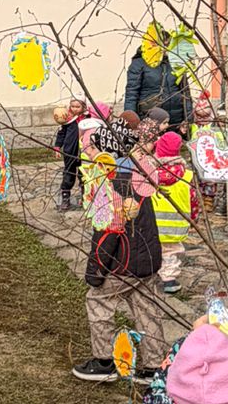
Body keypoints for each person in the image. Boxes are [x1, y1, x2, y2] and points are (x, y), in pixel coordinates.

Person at [72, 150, 167, 382]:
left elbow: (107, 236)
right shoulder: (141, 185)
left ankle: (104, 361)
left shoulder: (111, 191)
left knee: (98, 300)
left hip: (122, 264)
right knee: (146, 307)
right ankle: (154, 365)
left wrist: (95, 272)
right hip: (147, 261)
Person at [150, 130, 195, 293]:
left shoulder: (151, 174)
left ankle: (152, 271)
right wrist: (193, 217)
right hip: (177, 223)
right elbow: (193, 199)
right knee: (171, 251)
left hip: (153, 223)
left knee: (152, 248)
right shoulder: (187, 176)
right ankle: (169, 280)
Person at [122, 24, 191, 128]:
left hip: (176, 120)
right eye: (164, 44)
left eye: (169, 44)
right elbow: (131, 95)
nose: (167, 48)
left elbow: (185, 92)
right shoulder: (139, 64)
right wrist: (130, 123)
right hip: (150, 119)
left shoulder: (176, 63)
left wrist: (188, 120)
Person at [52, 97, 84, 211]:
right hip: (70, 152)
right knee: (68, 174)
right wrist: (57, 147)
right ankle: (66, 199)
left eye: (78, 106)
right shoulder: (67, 119)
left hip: (84, 153)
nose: (75, 109)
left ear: (83, 106)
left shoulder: (87, 118)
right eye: (72, 106)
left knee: (84, 175)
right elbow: (61, 134)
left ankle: (85, 197)